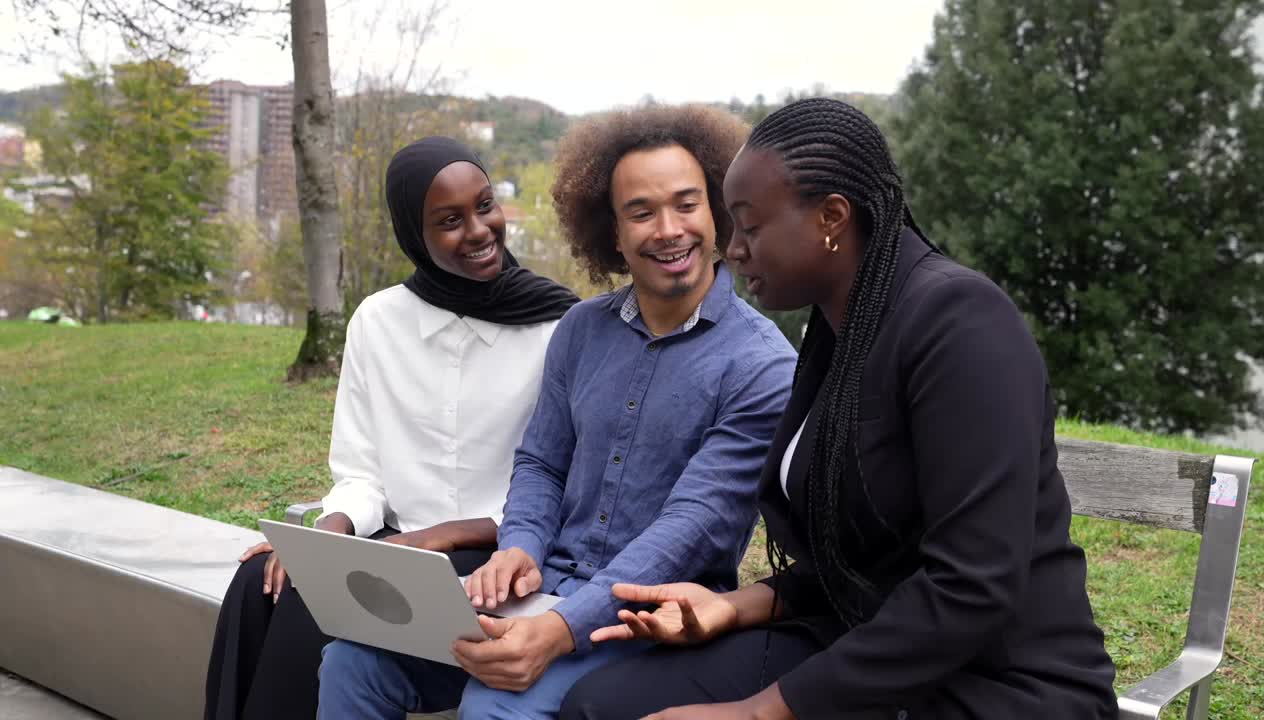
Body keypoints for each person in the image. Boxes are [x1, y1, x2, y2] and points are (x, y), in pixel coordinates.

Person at [561, 97, 1121, 720]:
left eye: (749, 224)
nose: (734, 248)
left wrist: (757, 714)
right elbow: (865, 559)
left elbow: (973, 586)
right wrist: (735, 606)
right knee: (601, 706)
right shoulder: (836, 332)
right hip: (859, 637)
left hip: (996, 681)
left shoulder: (961, 323)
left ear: (831, 217)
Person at [317, 104, 798, 720]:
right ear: (612, 231)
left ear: (718, 211)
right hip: (540, 587)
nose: (669, 229)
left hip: (645, 614)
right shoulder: (580, 329)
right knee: (354, 664)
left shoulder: (761, 366)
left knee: (496, 705)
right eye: (641, 212)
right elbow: (541, 462)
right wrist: (518, 548)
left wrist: (557, 628)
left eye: (686, 204)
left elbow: (690, 529)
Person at [203, 136, 578, 720]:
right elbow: (361, 473)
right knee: (263, 583)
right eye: (448, 221)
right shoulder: (377, 322)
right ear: (414, 235)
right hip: (395, 546)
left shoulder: (559, 326)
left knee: (318, 619)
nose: (478, 230)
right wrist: (327, 534)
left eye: (484, 205)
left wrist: (447, 534)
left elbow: (567, 482)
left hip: (504, 555)